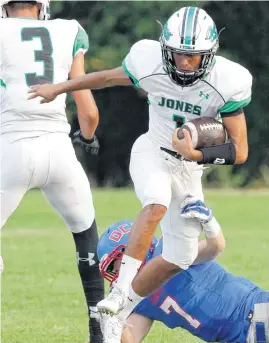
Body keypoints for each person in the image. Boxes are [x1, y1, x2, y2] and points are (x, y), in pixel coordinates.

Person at [28, 4, 252, 330]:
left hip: (187, 169)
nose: (186, 63)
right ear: (165, 49)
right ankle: (120, 291)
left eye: (194, 56)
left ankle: (122, 309)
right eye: (178, 54)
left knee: (180, 257)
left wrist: (195, 155)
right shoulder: (148, 61)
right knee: (156, 202)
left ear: (210, 53)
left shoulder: (227, 81)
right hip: (152, 151)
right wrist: (58, 87)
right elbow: (104, 78)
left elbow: (240, 150)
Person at [0, 1, 104, 341]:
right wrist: (86, 138)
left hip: (12, 149)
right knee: (86, 231)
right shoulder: (69, 30)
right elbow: (87, 112)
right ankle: (99, 327)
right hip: (59, 151)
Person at [97, 217, 269, 343]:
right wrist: (115, 320)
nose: (118, 273)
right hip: (232, 337)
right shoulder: (138, 296)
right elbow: (130, 340)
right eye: (112, 269)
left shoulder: (168, 252)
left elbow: (215, 246)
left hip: (254, 311)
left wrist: (209, 222)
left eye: (117, 263)